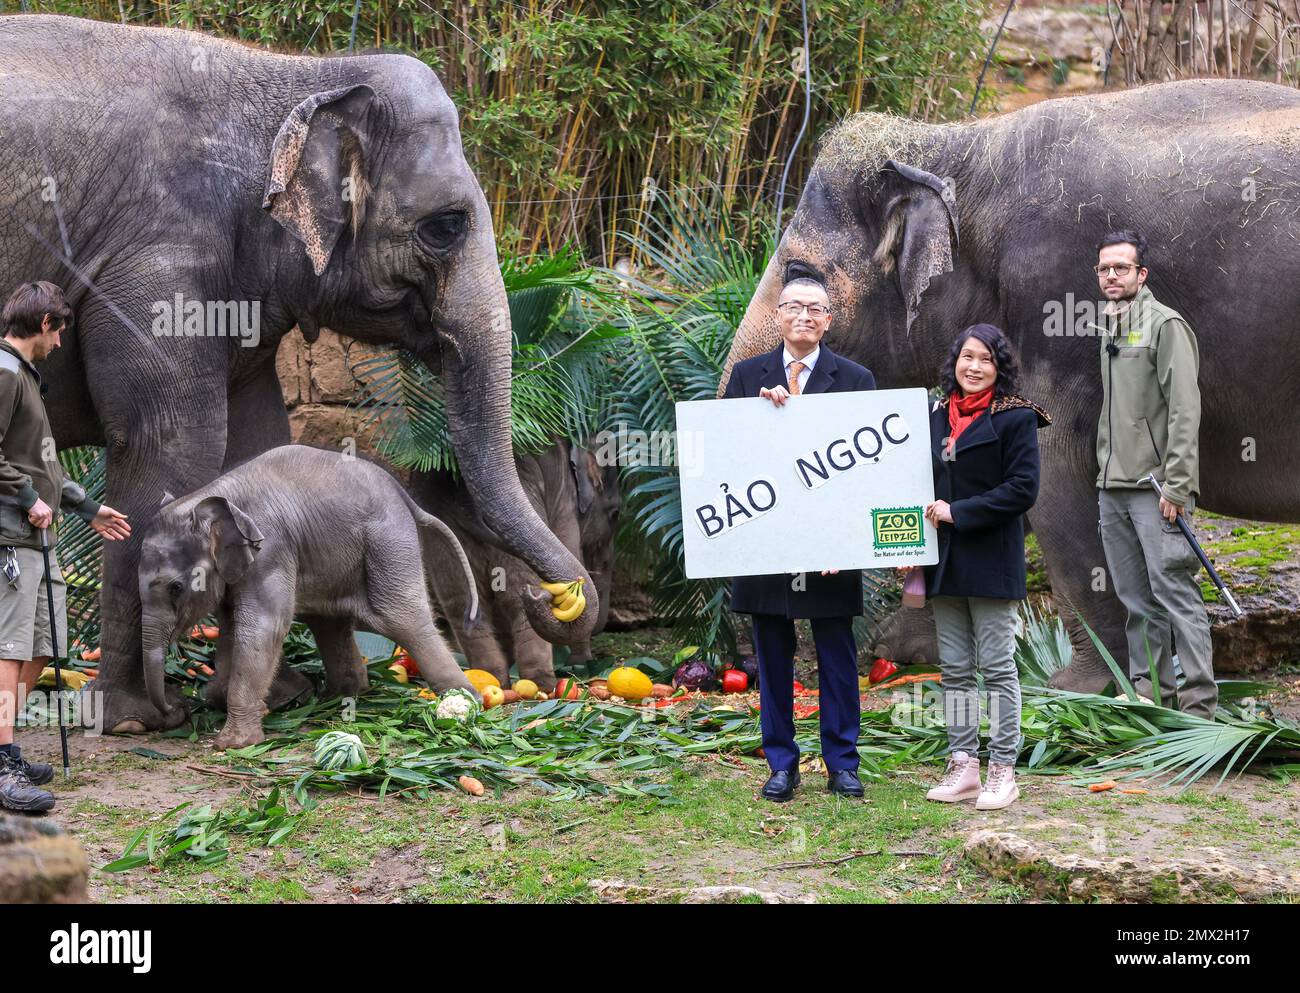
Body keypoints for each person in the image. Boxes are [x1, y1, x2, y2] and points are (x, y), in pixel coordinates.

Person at [722, 276, 876, 802]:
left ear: (829, 320)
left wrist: (847, 539)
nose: (805, 316)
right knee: (772, 651)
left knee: (835, 651)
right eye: (794, 307)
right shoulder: (747, 377)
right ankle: (781, 763)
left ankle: (842, 762)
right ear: (778, 315)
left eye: (816, 308)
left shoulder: (855, 379)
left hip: (831, 546)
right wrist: (760, 418)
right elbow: (728, 460)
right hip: (767, 540)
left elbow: (869, 469)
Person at [0, 282, 131, 813]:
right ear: (47, 323)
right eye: (60, 334)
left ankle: (4, 746)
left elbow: (42, 462)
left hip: (40, 535)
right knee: (9, 648)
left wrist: (86, 506)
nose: (60, 346)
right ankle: (2, 761)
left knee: (42, 642)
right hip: (11, 537)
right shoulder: (5, 373)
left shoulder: (26, 377)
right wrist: (28, 499)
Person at [922, 324, 1049, 810]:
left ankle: (1002, 769)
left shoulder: (1015, 418)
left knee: (996, 668)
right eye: (966, 357)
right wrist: (906, 546)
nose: (973, 367)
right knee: (954, 670)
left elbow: (1022, 489)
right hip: (944, 561)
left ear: (1000, 368)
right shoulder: (934, 416)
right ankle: (963, 766)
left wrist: (961, 511)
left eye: (986, 360)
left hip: (991, 557)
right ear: (955, 361)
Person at [1093, 230, 1216, 718]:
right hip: (1113, 486)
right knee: (1136, 601)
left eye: (1121, 268)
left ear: (1141, 274)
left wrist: (1178, 484)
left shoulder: (1166, 325)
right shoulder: (1109, 324)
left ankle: (1201, 707)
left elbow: (1186, 409)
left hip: (1156, 489)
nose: (1111, 276)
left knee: (1176, 594)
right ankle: (1151, 697)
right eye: (1104, 269)